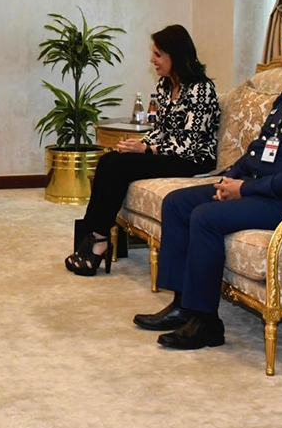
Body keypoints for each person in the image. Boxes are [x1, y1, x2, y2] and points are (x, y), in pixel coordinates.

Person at [132, 24, 282, 350]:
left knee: (205, 217)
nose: (281, 60)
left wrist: (244, 190)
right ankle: (183, 306)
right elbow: (258, 149)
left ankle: (206, 323)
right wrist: (229, 178)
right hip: (255, 186)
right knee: (177, 203)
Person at [66, 25, 220, 275]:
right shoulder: (165, 86)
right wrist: (138, 145)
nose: (152, 59)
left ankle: (97, 241)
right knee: (110, 160)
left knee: (119, 165)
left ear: (175, 54)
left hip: (193, 160)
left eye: (158, 54)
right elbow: (160, 130)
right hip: (169, 154)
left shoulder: (200, 89)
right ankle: (94, 235)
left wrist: (148, 149)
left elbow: (191, 144)